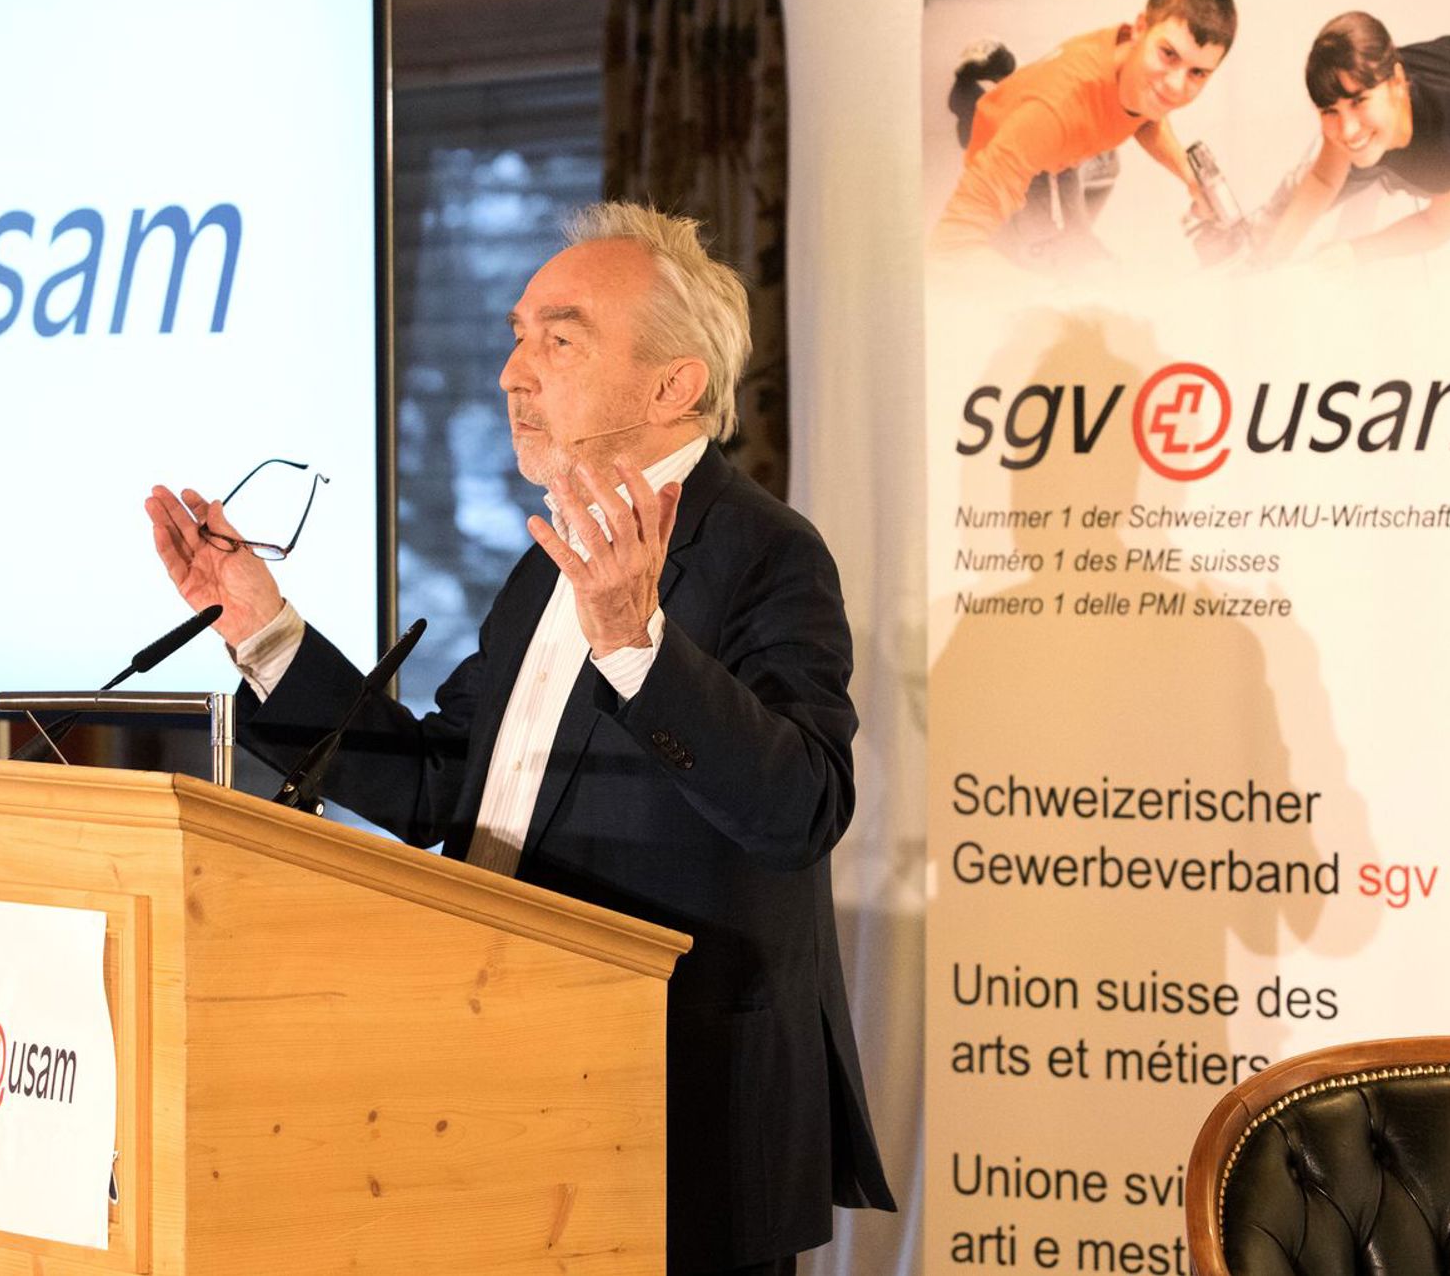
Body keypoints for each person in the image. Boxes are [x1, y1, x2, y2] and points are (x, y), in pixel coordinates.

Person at [145, 202, 894, 1274]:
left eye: (558, 340)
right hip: (508, 1088)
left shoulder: (767, 553)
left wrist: (638, 647)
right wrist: (263, 630)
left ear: (672, 385)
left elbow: (802, 809)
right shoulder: (546, 564)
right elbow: (443, 786)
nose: (510, 373)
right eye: (514, 336)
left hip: (678, 1119)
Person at [930, 0, 1238, 261]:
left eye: (1197, 73)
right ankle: (976, 94)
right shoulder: (1053, 114)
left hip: (1064, 130)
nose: (1174, 86)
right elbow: (949, 246)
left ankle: (1006, 69)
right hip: (1026, 147)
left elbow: (1147, 116)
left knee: (1106, 168)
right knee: (1057, 249)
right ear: (1140, 28)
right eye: (1168, 54)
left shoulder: (1133, 61)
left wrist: (1189, 176)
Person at [1252, 12, 1450, 266]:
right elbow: (1324, 179)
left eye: (1359, 101)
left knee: (1407, 185)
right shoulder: (1352, 94)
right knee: (1311, 181)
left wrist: (1356, 250)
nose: (1347, 130)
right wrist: (1273, 254)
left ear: (1397, 82)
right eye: (1329, 110)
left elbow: (1434, 226)